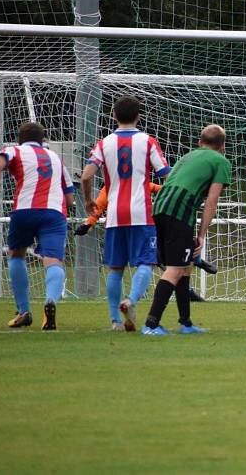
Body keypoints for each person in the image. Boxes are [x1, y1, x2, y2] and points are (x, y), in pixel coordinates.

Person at [80, 96, 171, 331]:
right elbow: (166, 175)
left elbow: (86, 175)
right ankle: (130, 301)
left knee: (115, 267)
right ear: (138, 116)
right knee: (146, 262)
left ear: (113, 116)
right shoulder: (148, 141)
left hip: (114, 215)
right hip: (141, 212)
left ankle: (115, 321)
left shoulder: (104, 143)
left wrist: (89, 200)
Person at [142, 124, 232, 335]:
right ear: (223, 146)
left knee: (185, 265)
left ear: (200, 142)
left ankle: (186, 323)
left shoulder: (187, 157)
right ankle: (151, 324)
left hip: (160, 207)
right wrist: (201, 234)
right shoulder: (221, 161)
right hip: (179, 211)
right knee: (175, 269)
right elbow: (211, 201)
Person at [0, 122, 75, 330]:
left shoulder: (14, 150)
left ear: (19, 139)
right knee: (54, 261)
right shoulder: (56, 159)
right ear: (43, 141)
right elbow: (70, 199)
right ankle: (50, 300)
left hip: (24, 210)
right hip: (54, 213)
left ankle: (24, 311)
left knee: (16, 255)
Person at [73, 182, 218, 302]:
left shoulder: (118, 186)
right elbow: (160, 188)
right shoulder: (138, 184)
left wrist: (88, 223)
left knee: (131, 266)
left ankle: (122, 311)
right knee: (163, 261)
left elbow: (97, 206)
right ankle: (192, 279)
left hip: (131, 230)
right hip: (147, 229)